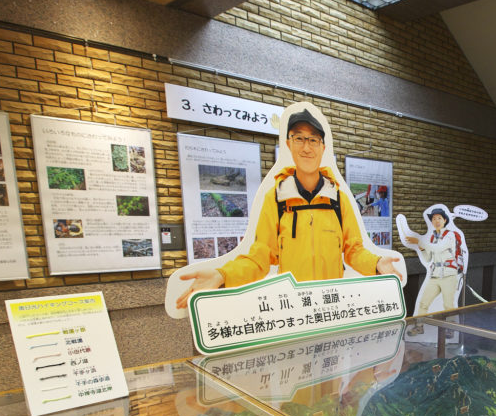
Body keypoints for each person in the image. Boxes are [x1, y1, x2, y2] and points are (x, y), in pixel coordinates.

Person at [175, 108, 401, 309]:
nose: (306, 147)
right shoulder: (276, 199)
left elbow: (354, 250)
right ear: (288, 144)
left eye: (313, 140)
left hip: (332, 307)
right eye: (299, 138)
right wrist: (222, 275)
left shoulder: (337, 199)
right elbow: (259, 257)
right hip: (294, 308)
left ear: (323, 147)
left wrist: (376, 263)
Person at [406, 207, 464, 336]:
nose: (436, 221)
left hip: (449, 274)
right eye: (434, 218)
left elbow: (438, 249)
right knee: (423, 302)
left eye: (439, 218)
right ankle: (419, 327)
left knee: (448, 305)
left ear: (445, 220)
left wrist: (420, 242)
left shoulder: (450, 235)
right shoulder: (433, 238)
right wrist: (421, 248)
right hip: (435, 274)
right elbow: (428, 258)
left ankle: (450, 329)